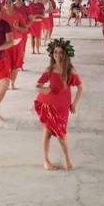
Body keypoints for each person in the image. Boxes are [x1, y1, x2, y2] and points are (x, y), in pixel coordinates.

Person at [34, 38, 83, 171]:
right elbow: (37, 87)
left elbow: (81, 87)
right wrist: (44, 90)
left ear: (66, 54)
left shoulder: (70, 71)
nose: (58, 55)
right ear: (52, 54)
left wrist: (74, 104)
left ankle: (68, 159)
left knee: (62, 134)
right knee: (47, 132)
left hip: (62, 106)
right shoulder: (49, 70)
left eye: (61, 52)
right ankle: (46, 160)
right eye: (55, 52)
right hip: (48, 104)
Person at [1, 0, 28, 90]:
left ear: (13, 4)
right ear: (4, 5)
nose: (8, 4)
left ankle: (12, 83)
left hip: (17, 43)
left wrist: (17, 27)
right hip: (5, 44)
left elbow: (25, 29)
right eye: (6, 3)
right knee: (5, 64)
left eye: (10, 2)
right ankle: (6, 82)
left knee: (15, 65)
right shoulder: (0, 15)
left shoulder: (18, 15)